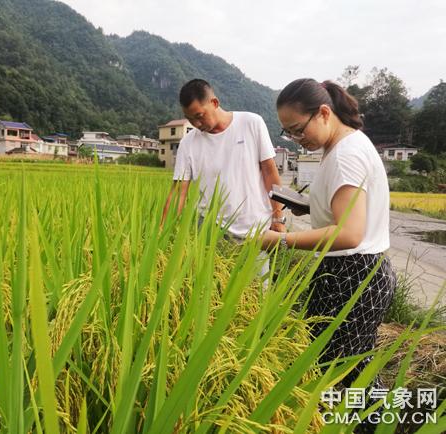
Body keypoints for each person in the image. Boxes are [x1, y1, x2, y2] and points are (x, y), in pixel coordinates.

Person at [262, 78, 396, 427]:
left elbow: (349, 233)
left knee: (346, 373)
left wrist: (282, 241)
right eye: (288, 133)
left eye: (297, 129)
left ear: (323, 113)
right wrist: (310, 207)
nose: (296, 138)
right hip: (356, 273)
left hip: (352, 276)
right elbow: (343, 213)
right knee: (349, 369)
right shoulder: (342, 147)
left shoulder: (346, 156)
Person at [161, 79, 286, 279]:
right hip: (211, 231)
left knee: (256, 295)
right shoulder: (188, 144)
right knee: (210, 293)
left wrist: (278, 216)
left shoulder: (251, 123)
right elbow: (178, 193)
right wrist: (161, 234)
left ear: (215, 103)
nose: (196, 124)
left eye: (199, 116)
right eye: (190, 119)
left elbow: (270, 173)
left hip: (255, 231)